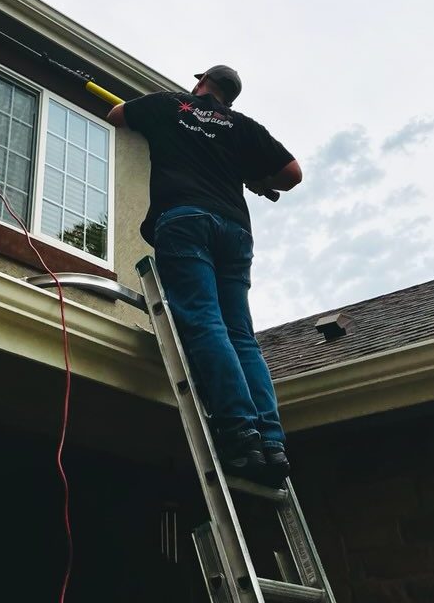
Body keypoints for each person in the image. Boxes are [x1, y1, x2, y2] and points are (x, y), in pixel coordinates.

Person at [107, 65, 302, 486]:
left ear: (200, 84)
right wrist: (255, 176)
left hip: (185, 219)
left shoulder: (167, 105)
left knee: (204, 321)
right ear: (231, 97)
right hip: (234, 230)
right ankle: (270, 441)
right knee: (240, 334)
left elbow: (117, 115)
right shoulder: (243, 126)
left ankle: (239, 431)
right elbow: (291, 175)